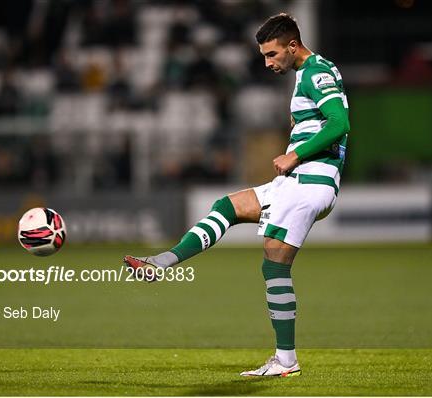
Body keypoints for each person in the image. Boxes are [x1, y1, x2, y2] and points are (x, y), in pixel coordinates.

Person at [124, 13, 350, 377]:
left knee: (274, 266)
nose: (268, 63)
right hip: (295, 181)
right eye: (264, 56)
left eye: (273, 54)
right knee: (227, 207)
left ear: (293, 46)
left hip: (310, 181)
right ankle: (162, 262)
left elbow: (340, 124)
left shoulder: (315, 72)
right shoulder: (307, 73)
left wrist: (295, 153)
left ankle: (286, 361)